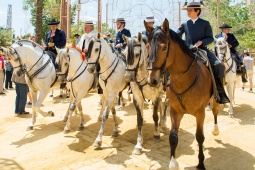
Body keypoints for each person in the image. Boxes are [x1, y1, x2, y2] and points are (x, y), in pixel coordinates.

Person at [176, 1, 230, 104]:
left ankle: (220, 92)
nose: (188, 12)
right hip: (187, 51)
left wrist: (201, 42)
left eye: (190, 10)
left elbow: (210, 38)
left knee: (219, 65)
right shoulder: (184, 24)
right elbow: (177, 35)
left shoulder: (205, 23)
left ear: (197, 11)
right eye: (187, 10)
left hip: (202, 50)